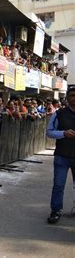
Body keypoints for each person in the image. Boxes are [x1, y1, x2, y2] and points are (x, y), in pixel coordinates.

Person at [46, 87, 75, 224]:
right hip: (62, 155)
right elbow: (50, 132)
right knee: (58, 185)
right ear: (67, 98)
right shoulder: (58, 114)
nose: (74, 98)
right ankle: (56, 210)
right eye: (72, 95)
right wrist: (63, 134)